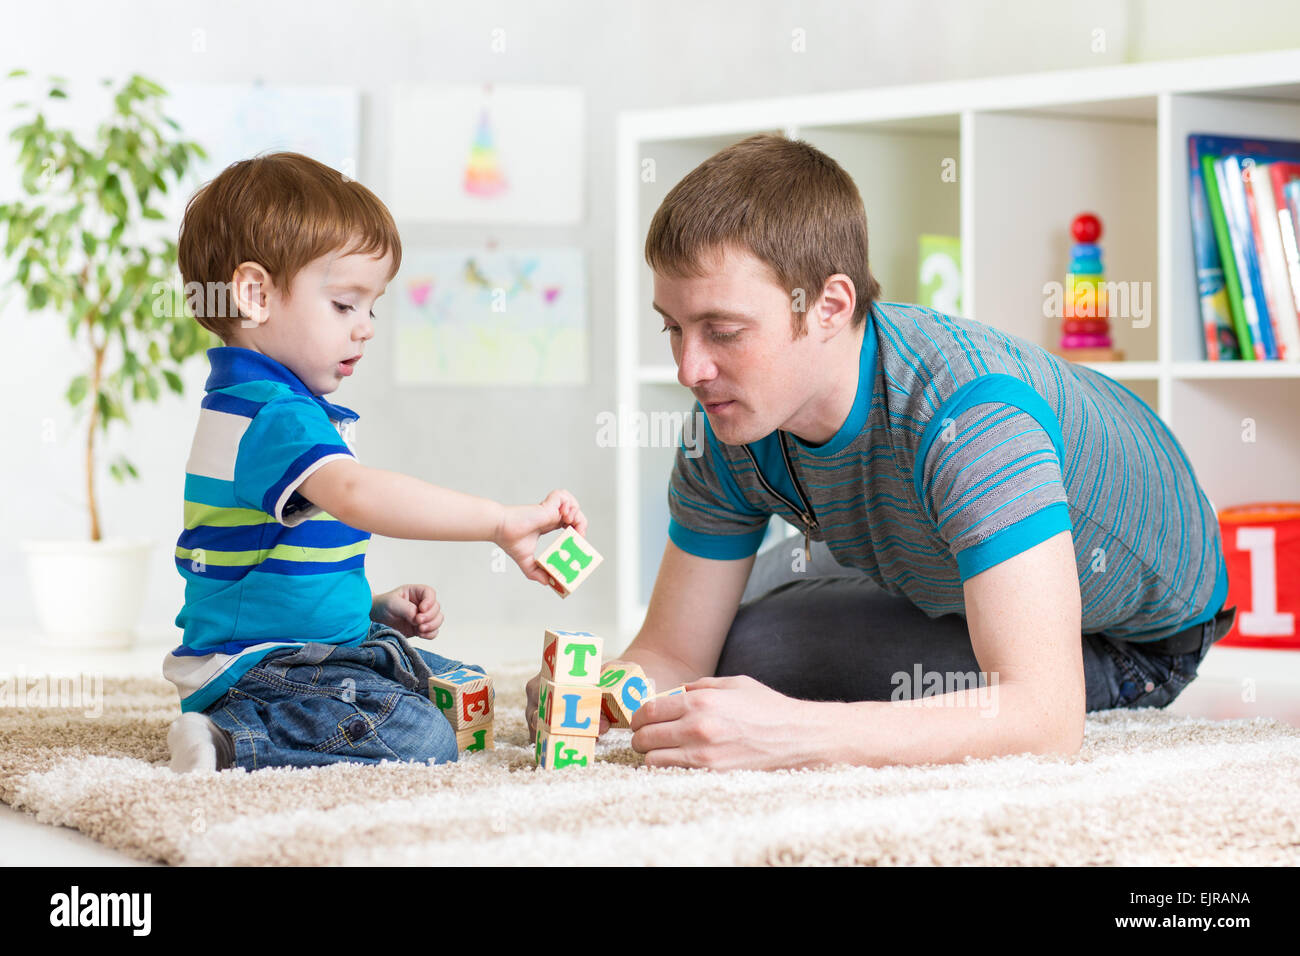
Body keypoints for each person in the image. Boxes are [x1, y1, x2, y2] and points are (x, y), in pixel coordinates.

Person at [526, 133, 1234, 770]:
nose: (690, 368)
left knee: (757, 655)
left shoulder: (971, 418)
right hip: (925, 552)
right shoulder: (727, 417)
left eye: (723, 330)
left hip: (1130, 638)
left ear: (830, 306)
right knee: (724, 651)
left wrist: (795, 734)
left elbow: (1047, 715)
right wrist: (595, 689)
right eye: (674, 329)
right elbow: (675, 651)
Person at [165, 151, 585, 773]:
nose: (364, 328)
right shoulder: (275, 415)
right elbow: (360, 495)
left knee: (451, 681)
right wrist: (498, 521)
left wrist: (370, 605)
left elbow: (268, 570)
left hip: (290, 643)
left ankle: (264, 716)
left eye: (372, 308)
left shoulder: (260, 403)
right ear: (255, 294)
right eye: (343, 305)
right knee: (419, 739)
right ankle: (232, 740)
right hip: (261, 666)